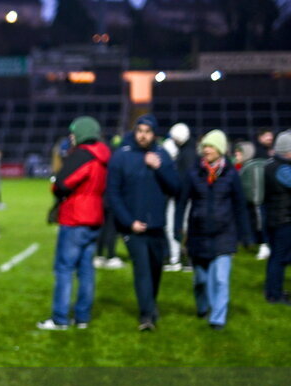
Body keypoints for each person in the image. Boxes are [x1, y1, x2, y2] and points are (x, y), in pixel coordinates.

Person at [106, 114, 181, 331]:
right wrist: (129, 222)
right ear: (134, 131)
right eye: (140, 131)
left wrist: (160, 168)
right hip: (133, 228)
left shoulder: (162, 155)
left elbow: (176, 188)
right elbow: (113, 193)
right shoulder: (121, 156)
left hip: (157, 225)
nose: (143, 135)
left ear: (154, 134)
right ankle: (146, 316)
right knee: (143, 270)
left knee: (156, 270)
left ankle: (150, 304)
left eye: (147, 132)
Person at [38, 116, 110, 331]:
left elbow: (62, 184)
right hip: (95, 216)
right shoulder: (104, 155)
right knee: (86, 270)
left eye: (73, 132)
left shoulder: (81, 155)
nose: (71, 137)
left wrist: (57, 185)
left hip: (75, 217)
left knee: (64, 269)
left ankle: (60, 318)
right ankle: (82, 317)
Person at [175, 130, 250, 330]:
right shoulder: (193, 173)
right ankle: (202, 306)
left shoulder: (231, 174)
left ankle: (217, 318)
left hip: (224, 233)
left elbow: (240, 205)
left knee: (220, 279)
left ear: (220, 150)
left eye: (210, 146)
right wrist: (177, 227)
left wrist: (246, 234)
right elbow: (182, 202)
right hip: (198, 235)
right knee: (201, 280)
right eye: (204, 146)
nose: (206, 150)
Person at [163, 123, 197, 271]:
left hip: (181, 198)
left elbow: (183, 178)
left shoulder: (186, 154)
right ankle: (183, 258)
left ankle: (176, 258)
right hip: (186, 197)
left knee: (175, 227)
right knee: (184, 227)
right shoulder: (190, 151)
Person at [263, 130, 291, 305]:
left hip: (276, 218)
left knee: (277, 257)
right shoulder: (282, 169)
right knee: (279, 259)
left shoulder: (272, 165)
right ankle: (274, 295)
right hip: (283, 220)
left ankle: (274, 291)